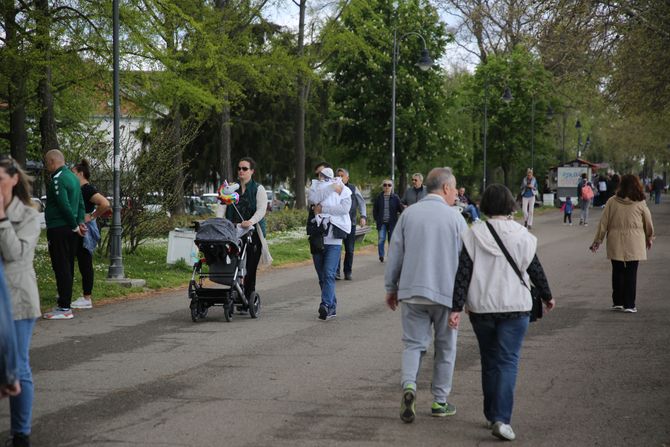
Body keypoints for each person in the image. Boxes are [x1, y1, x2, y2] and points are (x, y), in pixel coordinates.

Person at [449, 184, 554, 441]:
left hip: (482, 307)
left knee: (489, 359)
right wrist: (547, 295)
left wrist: (455, 308)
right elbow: (535, 269)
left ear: (484, 205)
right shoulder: (522, 234)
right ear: (510, 204)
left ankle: (490, 413)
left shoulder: (474, 234)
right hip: (515, 308)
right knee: (508, 361)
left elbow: (463, 274)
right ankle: (501, 419)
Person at [385, 167, 467, 423]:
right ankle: (440, 401)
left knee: (413, 344)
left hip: (412, 291)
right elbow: (467, 260)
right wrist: (464, 300)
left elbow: (395, 253)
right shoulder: (456, 219)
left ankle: (409, 385)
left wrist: (391, 287)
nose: (456, 194)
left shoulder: (409, 214)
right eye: (454, 189)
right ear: (445, 188)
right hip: (445, 294)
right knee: (445, 348)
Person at [0, 156, 41, 447]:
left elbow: (15, 254)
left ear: (14, 179)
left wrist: (1, 219)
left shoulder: (27, 214)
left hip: (17, 299)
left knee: (18, 366)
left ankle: (21, 434)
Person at [590, 174, 654, 313]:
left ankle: (617, 301)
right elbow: (648, 221)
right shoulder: (640, 202)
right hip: (635, 240)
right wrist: (649, 237)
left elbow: (603, 222)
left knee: (617, 271)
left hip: (615, 238)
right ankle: (629, 304)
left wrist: (598, 241)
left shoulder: (612, 201)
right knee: (631, 273)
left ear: (621, 185)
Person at [217, 157, 268, 307]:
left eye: (245, 169)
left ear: (252, 171)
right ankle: (236, 291)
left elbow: (261, 209)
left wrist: (250, 221)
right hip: (232, 231)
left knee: (250, 267)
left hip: (252, 232)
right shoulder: (231, 188)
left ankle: (248, 295)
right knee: (234, 264)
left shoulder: (258, 189)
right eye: (239, 168)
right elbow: (221, 206)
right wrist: (219, 222)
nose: (241, 171)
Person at [42, 149, 86, 320]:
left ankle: (64, 307)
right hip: (70, 229)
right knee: (67, 265)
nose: (47, 167)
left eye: (47, 164)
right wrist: (80, 222)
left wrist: (75, 225)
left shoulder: (58, 179)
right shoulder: (74, 178)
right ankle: (64, 302)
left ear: (53, 162)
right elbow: (80, 203)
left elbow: (63, 204)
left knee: (60, 265)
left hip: (60, 228)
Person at [308, 166, 351, 320]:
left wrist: (324, 208)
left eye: (325, 175)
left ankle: (325, 305)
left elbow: (344, 209)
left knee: (329, 274)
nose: (322, 177)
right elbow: (313, 201)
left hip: (335, 240)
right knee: (321, 276)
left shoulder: (343, 190)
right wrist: (330, 188)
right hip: (317, 237)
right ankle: (331, 305)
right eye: (320, 175)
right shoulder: (315, 188)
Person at [70, 159, 111, 309]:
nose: (70, 175)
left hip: (85, 229)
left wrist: (92, 216)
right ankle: (69, 293)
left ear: (81, 174)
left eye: (73, 173)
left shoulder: (87, 189)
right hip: (77, 227)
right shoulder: (77, 189)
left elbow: (105, 203)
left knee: (84, 261)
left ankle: (87, 297)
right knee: (76, 259)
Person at [335, 168, 367, 281]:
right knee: (336, 248)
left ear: (347, 178)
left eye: (341, 176)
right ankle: (336, 272)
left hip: (350, 223)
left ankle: (348, 272)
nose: (339, 178)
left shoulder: (353, 188)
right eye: (338, 175)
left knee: (349, 249)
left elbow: (361, 202)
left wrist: (363, 216)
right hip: (337, 223)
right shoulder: (333, 187)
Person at [373, 180, 401, 262]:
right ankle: (381, 255)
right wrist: (376, 219)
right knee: (381, 239)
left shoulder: (395, 197)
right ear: (383, 186)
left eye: (389, 185)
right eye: (385, 185)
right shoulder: (379, 197)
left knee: (391, 240)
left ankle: (391, 255)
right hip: (382, 223)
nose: (387, 187)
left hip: (392, 222)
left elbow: (400, 209)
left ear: (392, 187)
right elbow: (375, 210)